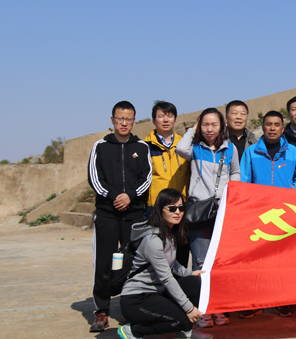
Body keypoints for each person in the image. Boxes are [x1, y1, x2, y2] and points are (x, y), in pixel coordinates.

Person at [87, 101, 152, 333]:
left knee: (132, 263)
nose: (124, 123)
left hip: (133, 215)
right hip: (107, 214)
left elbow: (147, 178)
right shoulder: (100, 146)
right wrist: (115, 196)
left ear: (134, 121)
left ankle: (129, 309)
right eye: (120, 118)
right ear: (112, 120)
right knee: (103, 262)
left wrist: (130, 196)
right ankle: (101, 311)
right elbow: (95, 178)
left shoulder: (141, 147)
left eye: (128, 119)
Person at [117, 188, 211, 339]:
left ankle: (185, 331)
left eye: (181, 208)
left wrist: (190, 273)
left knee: (194, 283)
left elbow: (172, 263)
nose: (177, 212)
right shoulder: (153, 240)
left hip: (156, 293)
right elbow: (167, 278)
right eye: (172, 208)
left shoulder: (169, 234)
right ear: (161, 210)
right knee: (181, 320)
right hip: (137, 299)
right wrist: (189, 309)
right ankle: (134, 330)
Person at [176, 107, 240, 328]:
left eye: (214, 124)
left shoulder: (229, 148)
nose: (209, 129)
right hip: (199, 211)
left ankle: (217, 307)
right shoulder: (194, 147)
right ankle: (202, 310)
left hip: (222, 212)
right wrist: (193, 128)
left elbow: (235, 172)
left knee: (220, 262)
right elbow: (180, 148)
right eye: (205, 124)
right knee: (201, 261)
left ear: (221, 126)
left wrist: (229, 193)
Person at [240, 110, 296, 317]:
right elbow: (244, 182)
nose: (272, 128)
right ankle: (255, 302)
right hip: (259, 215)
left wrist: (290, 192)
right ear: (263, 127)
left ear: (282, 128)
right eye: (268, 124)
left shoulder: (293, 152)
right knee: (257, 260)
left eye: (276, 125)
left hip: (284, 215)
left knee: (282, 260)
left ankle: (282, 300)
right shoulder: (251, 152)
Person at [144, 100, 190, 268]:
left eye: (169, 116)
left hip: (180, 208)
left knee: (181, 251)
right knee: (156, 253)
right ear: (153, 120)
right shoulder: (145, 147)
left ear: (175, 120)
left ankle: (180, 283)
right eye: (161, 116)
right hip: (156, 208)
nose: (165, 120)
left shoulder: (184, 146)